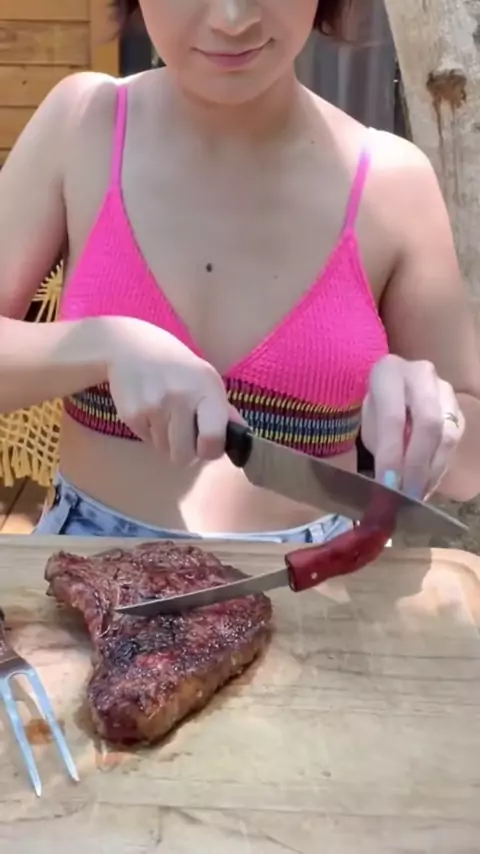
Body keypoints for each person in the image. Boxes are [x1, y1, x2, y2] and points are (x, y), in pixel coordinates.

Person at [0, 0, 478, 542]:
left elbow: (469, 468)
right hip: (86, 565)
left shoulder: (393, 182)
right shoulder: (82, 122)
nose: (231, 19)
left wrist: (433, 419)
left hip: (317, 575)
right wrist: (105, 346)